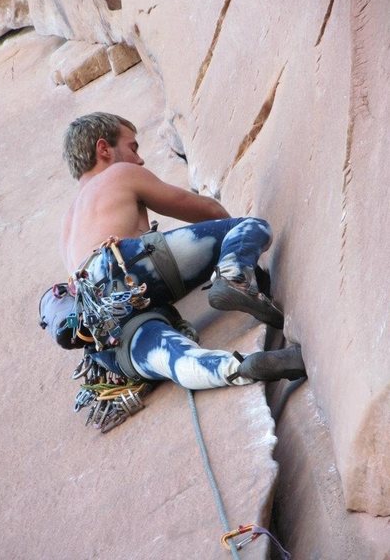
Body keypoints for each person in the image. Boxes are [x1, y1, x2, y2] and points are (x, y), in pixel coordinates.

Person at [59, 112, 306, 389]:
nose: (139, 160)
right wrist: (231, 246)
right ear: (103, 148)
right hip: (124, 264)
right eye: (132, 148)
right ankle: (233, 275)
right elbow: (208, 211)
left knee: (175, 357)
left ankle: (239, 368)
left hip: (99, 320)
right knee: (250, 227)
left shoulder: (67, 224)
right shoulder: (118, 174)